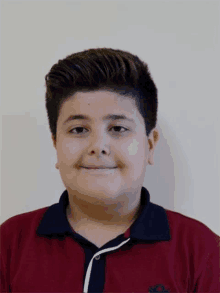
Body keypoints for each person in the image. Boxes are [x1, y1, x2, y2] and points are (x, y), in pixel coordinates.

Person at [0, 48, 219, 293]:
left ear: (149, 144)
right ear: (55, 144)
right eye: (79, 130)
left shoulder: (203, 251)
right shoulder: (9, 243)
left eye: (118, 128)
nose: (98, 147)